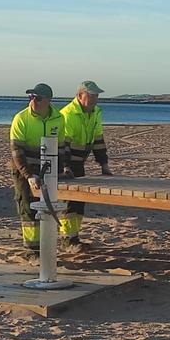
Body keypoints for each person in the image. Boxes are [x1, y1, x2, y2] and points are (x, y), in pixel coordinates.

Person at [9, 83, 64, 253]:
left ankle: (47, 244)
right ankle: (31, 249)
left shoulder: (59, 118)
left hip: (48, 168)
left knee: (49, 205)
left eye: (38, 98)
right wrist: (28, 175)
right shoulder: (21, 118)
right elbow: (16, 151)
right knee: (27, 205)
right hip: (24, 167)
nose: (33, 101)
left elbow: (61, 147)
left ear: (48, 100)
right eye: (31, 97)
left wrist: (62, 169)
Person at [58, 80, 113, 250]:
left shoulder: (96, 112)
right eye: (92, 95)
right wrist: (66, 167)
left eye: (97, 95)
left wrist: (104, 165)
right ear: (80, 96)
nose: (95, 98)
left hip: (80, 161)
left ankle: (74, 237)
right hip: (66, 161)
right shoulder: (68, 114)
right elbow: (63, 144)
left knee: (79, 201)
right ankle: (67, 240)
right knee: (69, 201)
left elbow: (98, 140)